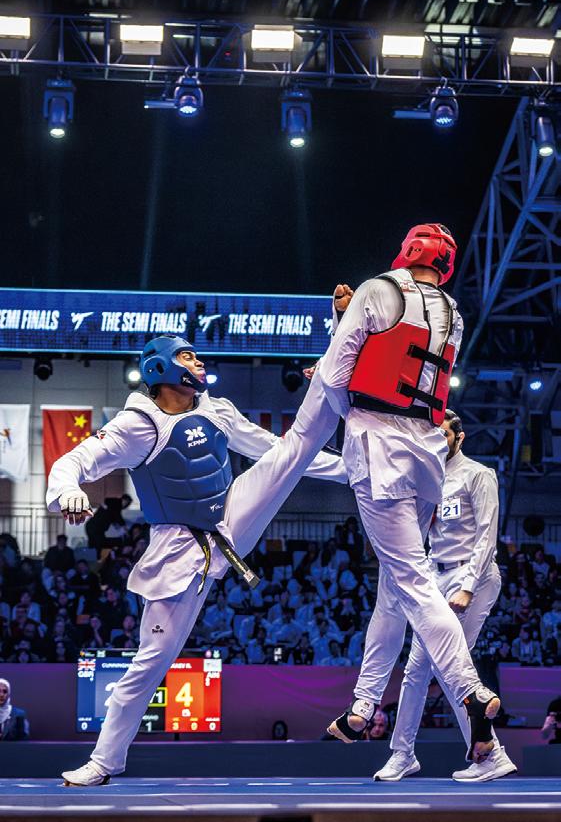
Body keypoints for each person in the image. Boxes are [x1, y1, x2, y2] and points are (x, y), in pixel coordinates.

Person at [46, 333, 346, 785]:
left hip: (229, 518)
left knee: (289, 452)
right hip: (177, 547)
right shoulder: (138, 425)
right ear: (161, 369)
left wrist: (349, 472)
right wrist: (67, 491)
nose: (199, 362)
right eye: (187, 356)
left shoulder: (217, 409)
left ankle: (333, 383)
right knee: (151, 662)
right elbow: (72, 462)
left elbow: (271, 448)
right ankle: (104, 762)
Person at [318, 224, 501, 765]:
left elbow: (336, 372)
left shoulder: (378, 289)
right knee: (393, 589)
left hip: (380, 446)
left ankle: (470, 689)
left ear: (407, 251)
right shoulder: (453, 312)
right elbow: (403, 361)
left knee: (412, 585)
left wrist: (347, 401)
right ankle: (363, 705)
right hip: (424, 449)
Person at [373, 410, 516, 783]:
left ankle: (491, 755)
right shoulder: (427, 479)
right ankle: (402, 754)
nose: (438, 440)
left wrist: (468, 585)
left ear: (459, 438)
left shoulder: (478, 475)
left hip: (473, 576)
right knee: (416, 668)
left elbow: (487, 534)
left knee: (447, 665)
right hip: (434, 576)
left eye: (445, 435)